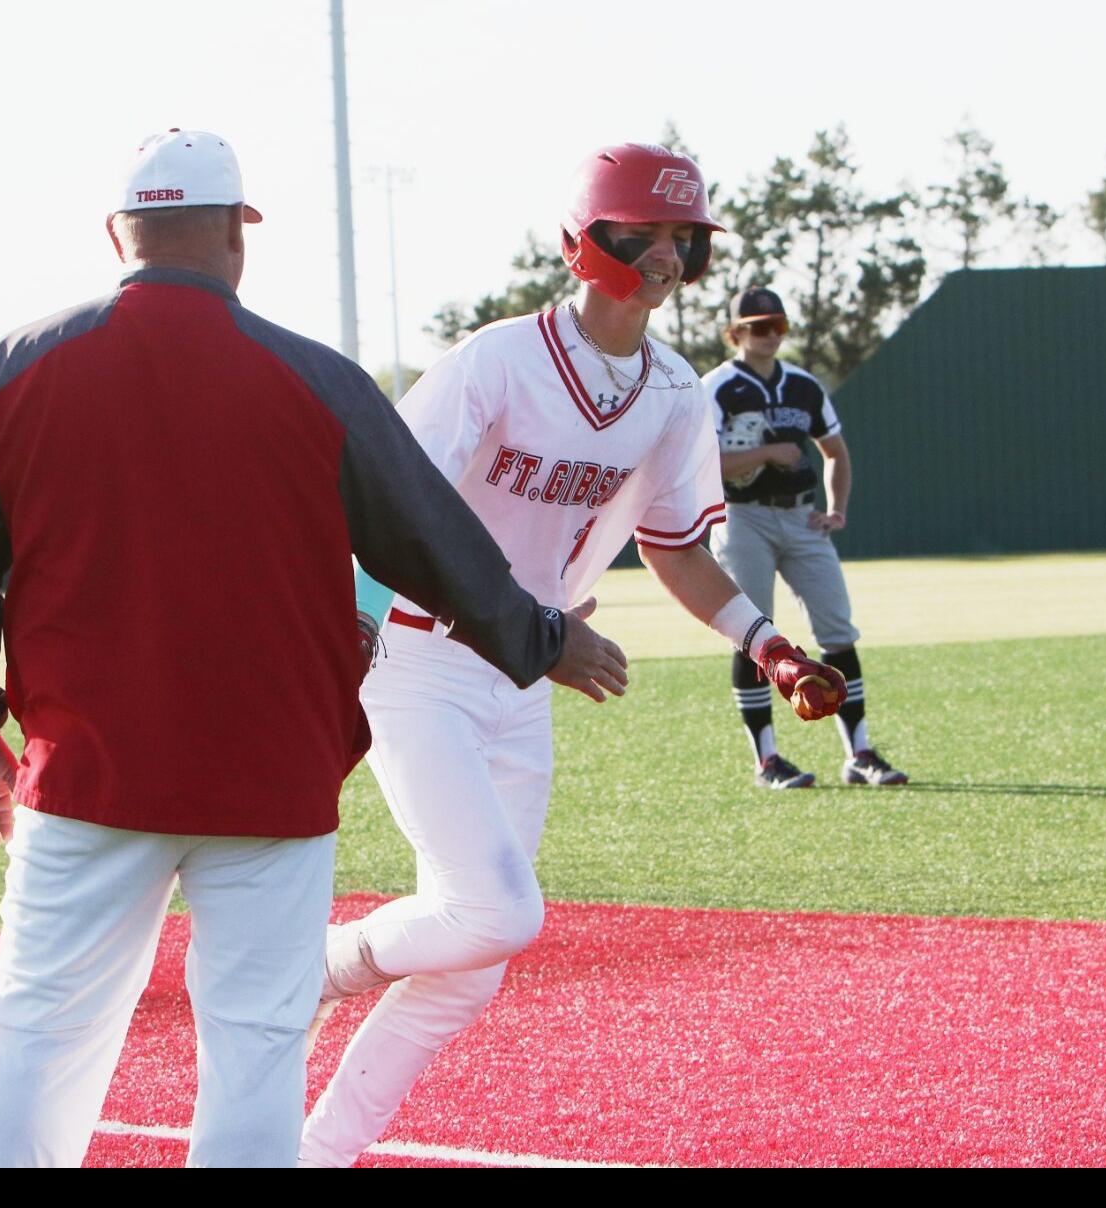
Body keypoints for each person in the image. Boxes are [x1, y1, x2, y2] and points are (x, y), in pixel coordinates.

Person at [0, 128, 629, 1169]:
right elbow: (434, 539)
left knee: (38, 1033)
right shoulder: (317, 379)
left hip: (86, 772)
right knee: (253, 1047)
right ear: (237, 237)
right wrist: (542, 635)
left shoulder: (15, 367)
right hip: (270, 775)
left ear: (119, 234)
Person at [298, 144, 846, 1168]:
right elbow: (384, 510)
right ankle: (307, 972)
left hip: (526, 670)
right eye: (642, 231)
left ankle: (317, 1149)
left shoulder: (676, 390)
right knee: (494, 909)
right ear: (579, 242)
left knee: (473, 961)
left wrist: (766, 645)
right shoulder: (493, 361)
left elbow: (674, 545)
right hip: (420, 656)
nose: (666, 254)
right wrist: (355, 647)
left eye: (683, 236)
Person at [703, 286, 908, 788]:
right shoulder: (717, 386)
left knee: (838, 632)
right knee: (753, 635)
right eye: (758, 326)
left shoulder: (802, 385)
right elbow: (702, 462)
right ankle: (767, 760)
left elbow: (835, 451)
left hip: (800, 518)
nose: (770, 335)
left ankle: (859, 753)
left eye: (778, 326)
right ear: (735, 333)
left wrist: (836, 510)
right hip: (742, 516)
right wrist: (765, 454)